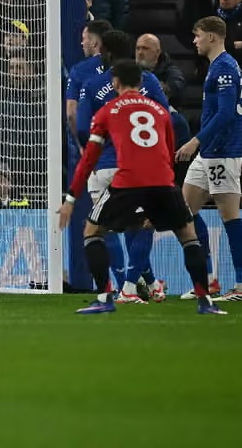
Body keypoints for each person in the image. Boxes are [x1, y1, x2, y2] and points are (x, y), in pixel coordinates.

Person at [61, 59, 225, 315]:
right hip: (163, 182)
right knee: (188, 237)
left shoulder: (107, 111)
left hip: (127, 182)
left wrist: (71, 198)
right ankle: (205, 302)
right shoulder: (160, 111)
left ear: (115, 82)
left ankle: (105, 298)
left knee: (92, 232)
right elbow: (168, 150)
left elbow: (88, 159)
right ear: (140, 82)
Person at [74, 31, 171, 304]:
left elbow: (81, 127)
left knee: (102, 230)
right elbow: (166, 117)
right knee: (141, 224)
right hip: (134, 167)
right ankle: (130, 286)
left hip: (101, 168)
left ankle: (140, 285)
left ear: (104, 51)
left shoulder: (92, 83)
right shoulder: (147, 80)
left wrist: (93, 148)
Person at [175, 16, 242, 301]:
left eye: (197, 35)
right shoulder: (225, 66)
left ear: (211, 36)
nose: (194, 41)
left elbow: (227, 112)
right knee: (185, 211)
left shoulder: (223, 68)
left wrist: (196, 140)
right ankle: (208, 280)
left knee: (229, 216)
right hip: (213, 150)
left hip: (220, 150)